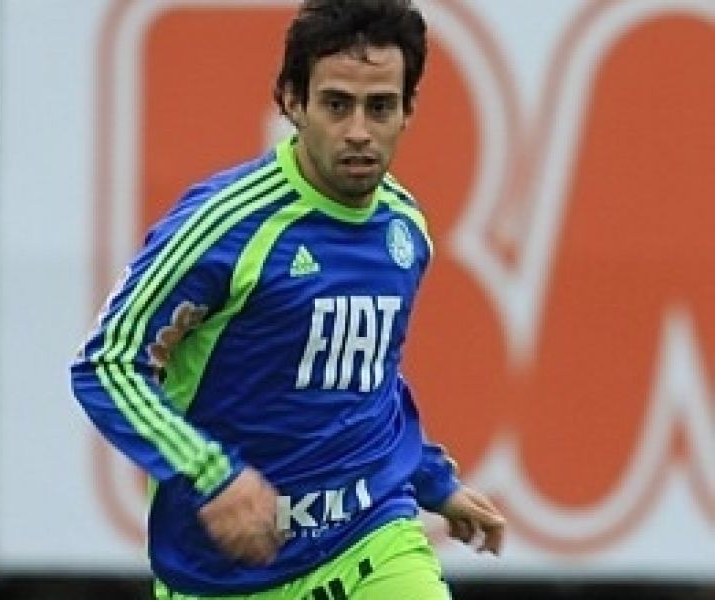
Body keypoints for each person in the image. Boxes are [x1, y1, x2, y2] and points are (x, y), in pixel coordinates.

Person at [70, 0, 506, 598]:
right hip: (225, 575)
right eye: (336, 104)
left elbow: (368, 381)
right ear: (293, 102)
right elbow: (105, 363)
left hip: (369, 539)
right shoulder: (226, 227)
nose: (359, 131)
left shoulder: (404, 229)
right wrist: (212, 474)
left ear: (408, 110)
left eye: (380, 106)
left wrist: (433, 480)